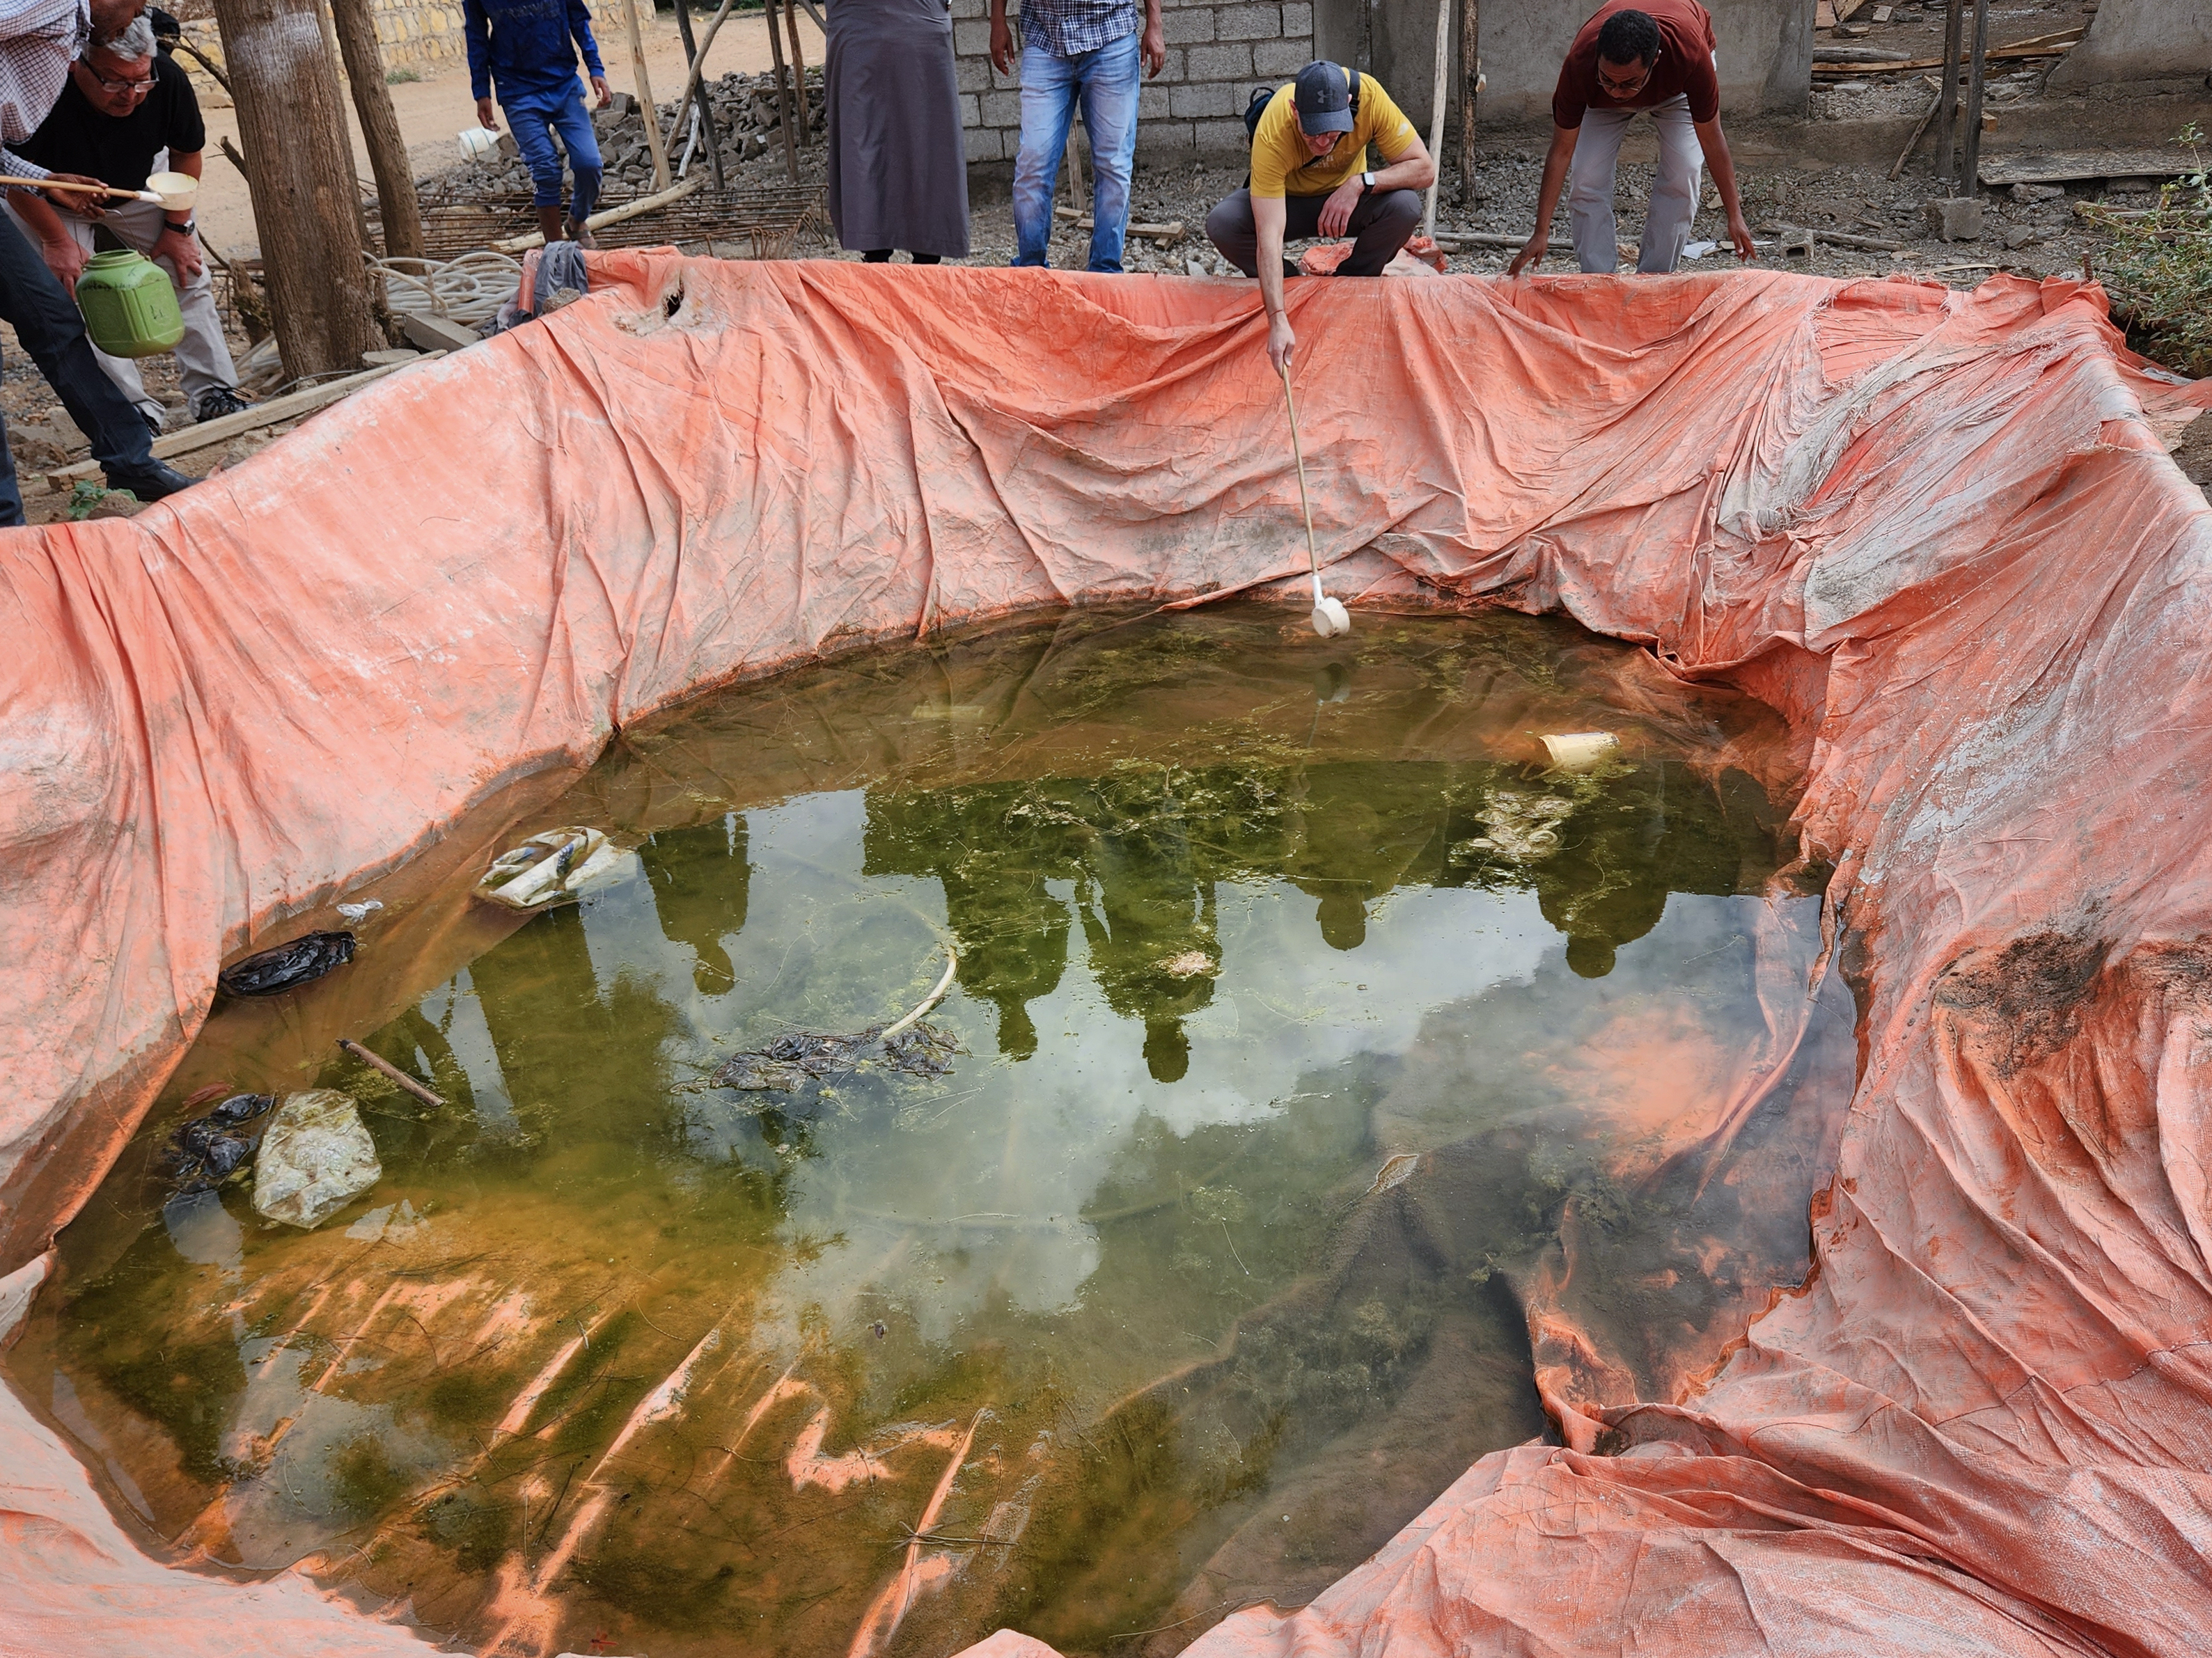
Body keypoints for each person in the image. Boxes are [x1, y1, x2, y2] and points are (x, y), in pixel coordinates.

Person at [0, 0, 196, 523]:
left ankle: (129, 459)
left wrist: (45, 181)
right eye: (132, 2)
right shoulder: (53, 5)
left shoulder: (71, 30)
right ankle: (5, 522)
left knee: (53, 318)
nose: (136, 13)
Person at [7, 15, 250, 431]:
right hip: (47, 194)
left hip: (140, 188)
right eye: (115, 82)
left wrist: (177, 230)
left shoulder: (167, 79)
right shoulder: (39, 88)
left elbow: (186, 154)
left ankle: (214, 392)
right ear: (77, 65)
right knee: (81, 290)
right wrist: (57, 242)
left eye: (141, 81)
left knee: (186, 270)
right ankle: (132, 413)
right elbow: (12, 179)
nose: (131, 95)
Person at [1205, 61, 1434, 372]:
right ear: (1295, 110)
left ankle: (1352, 283)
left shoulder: (1370, 97)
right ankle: (1292, 285)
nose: (1323, 143)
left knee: (1405, 206)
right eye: (1312, 133)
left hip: (1346, 204)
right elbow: (1269, 238)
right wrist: (1277, 320)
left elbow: (1424, 169)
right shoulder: (1274, 130)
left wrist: (1361, 183)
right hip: (1290, 203)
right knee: (1223, 223)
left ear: (1349, 105)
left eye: (1332, 131)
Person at [1507, 0, 1753, 277]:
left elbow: (1711, 139)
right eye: (1608, 80)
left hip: (1676, 90)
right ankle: (1598, 280)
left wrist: (1735, 215)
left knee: (1683, 171)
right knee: (1587, 175)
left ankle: (1655, 279)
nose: (1618, 92)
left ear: (1655, 61)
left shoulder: (1690, 55)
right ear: (1598, 58)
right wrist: (1541, 232)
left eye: (1629, 83)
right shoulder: (1580, 64)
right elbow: (1562, 150)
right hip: (1599, 99)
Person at [988, 0, 1165, 274]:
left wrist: (1155, 24)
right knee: (1032, 166)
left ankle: (1105, 272)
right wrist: (997, 21)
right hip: (1046, 38)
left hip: (1111, 37)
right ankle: (1031, 272)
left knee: (1113, 166)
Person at [825, 0, 968, 265]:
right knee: (883, 134)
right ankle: (887, 258)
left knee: (911, 135)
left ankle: (903, 260)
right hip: (868, 25)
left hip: (903, 26)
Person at [462, 0, 611, 247]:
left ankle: (576, 221)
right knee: (546, 171)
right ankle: (556, 252)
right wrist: (482, 92)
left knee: (589, 163)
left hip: (564, 83)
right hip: (517, 91)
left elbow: (578, 19)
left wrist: (595, 67)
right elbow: (476, 37)